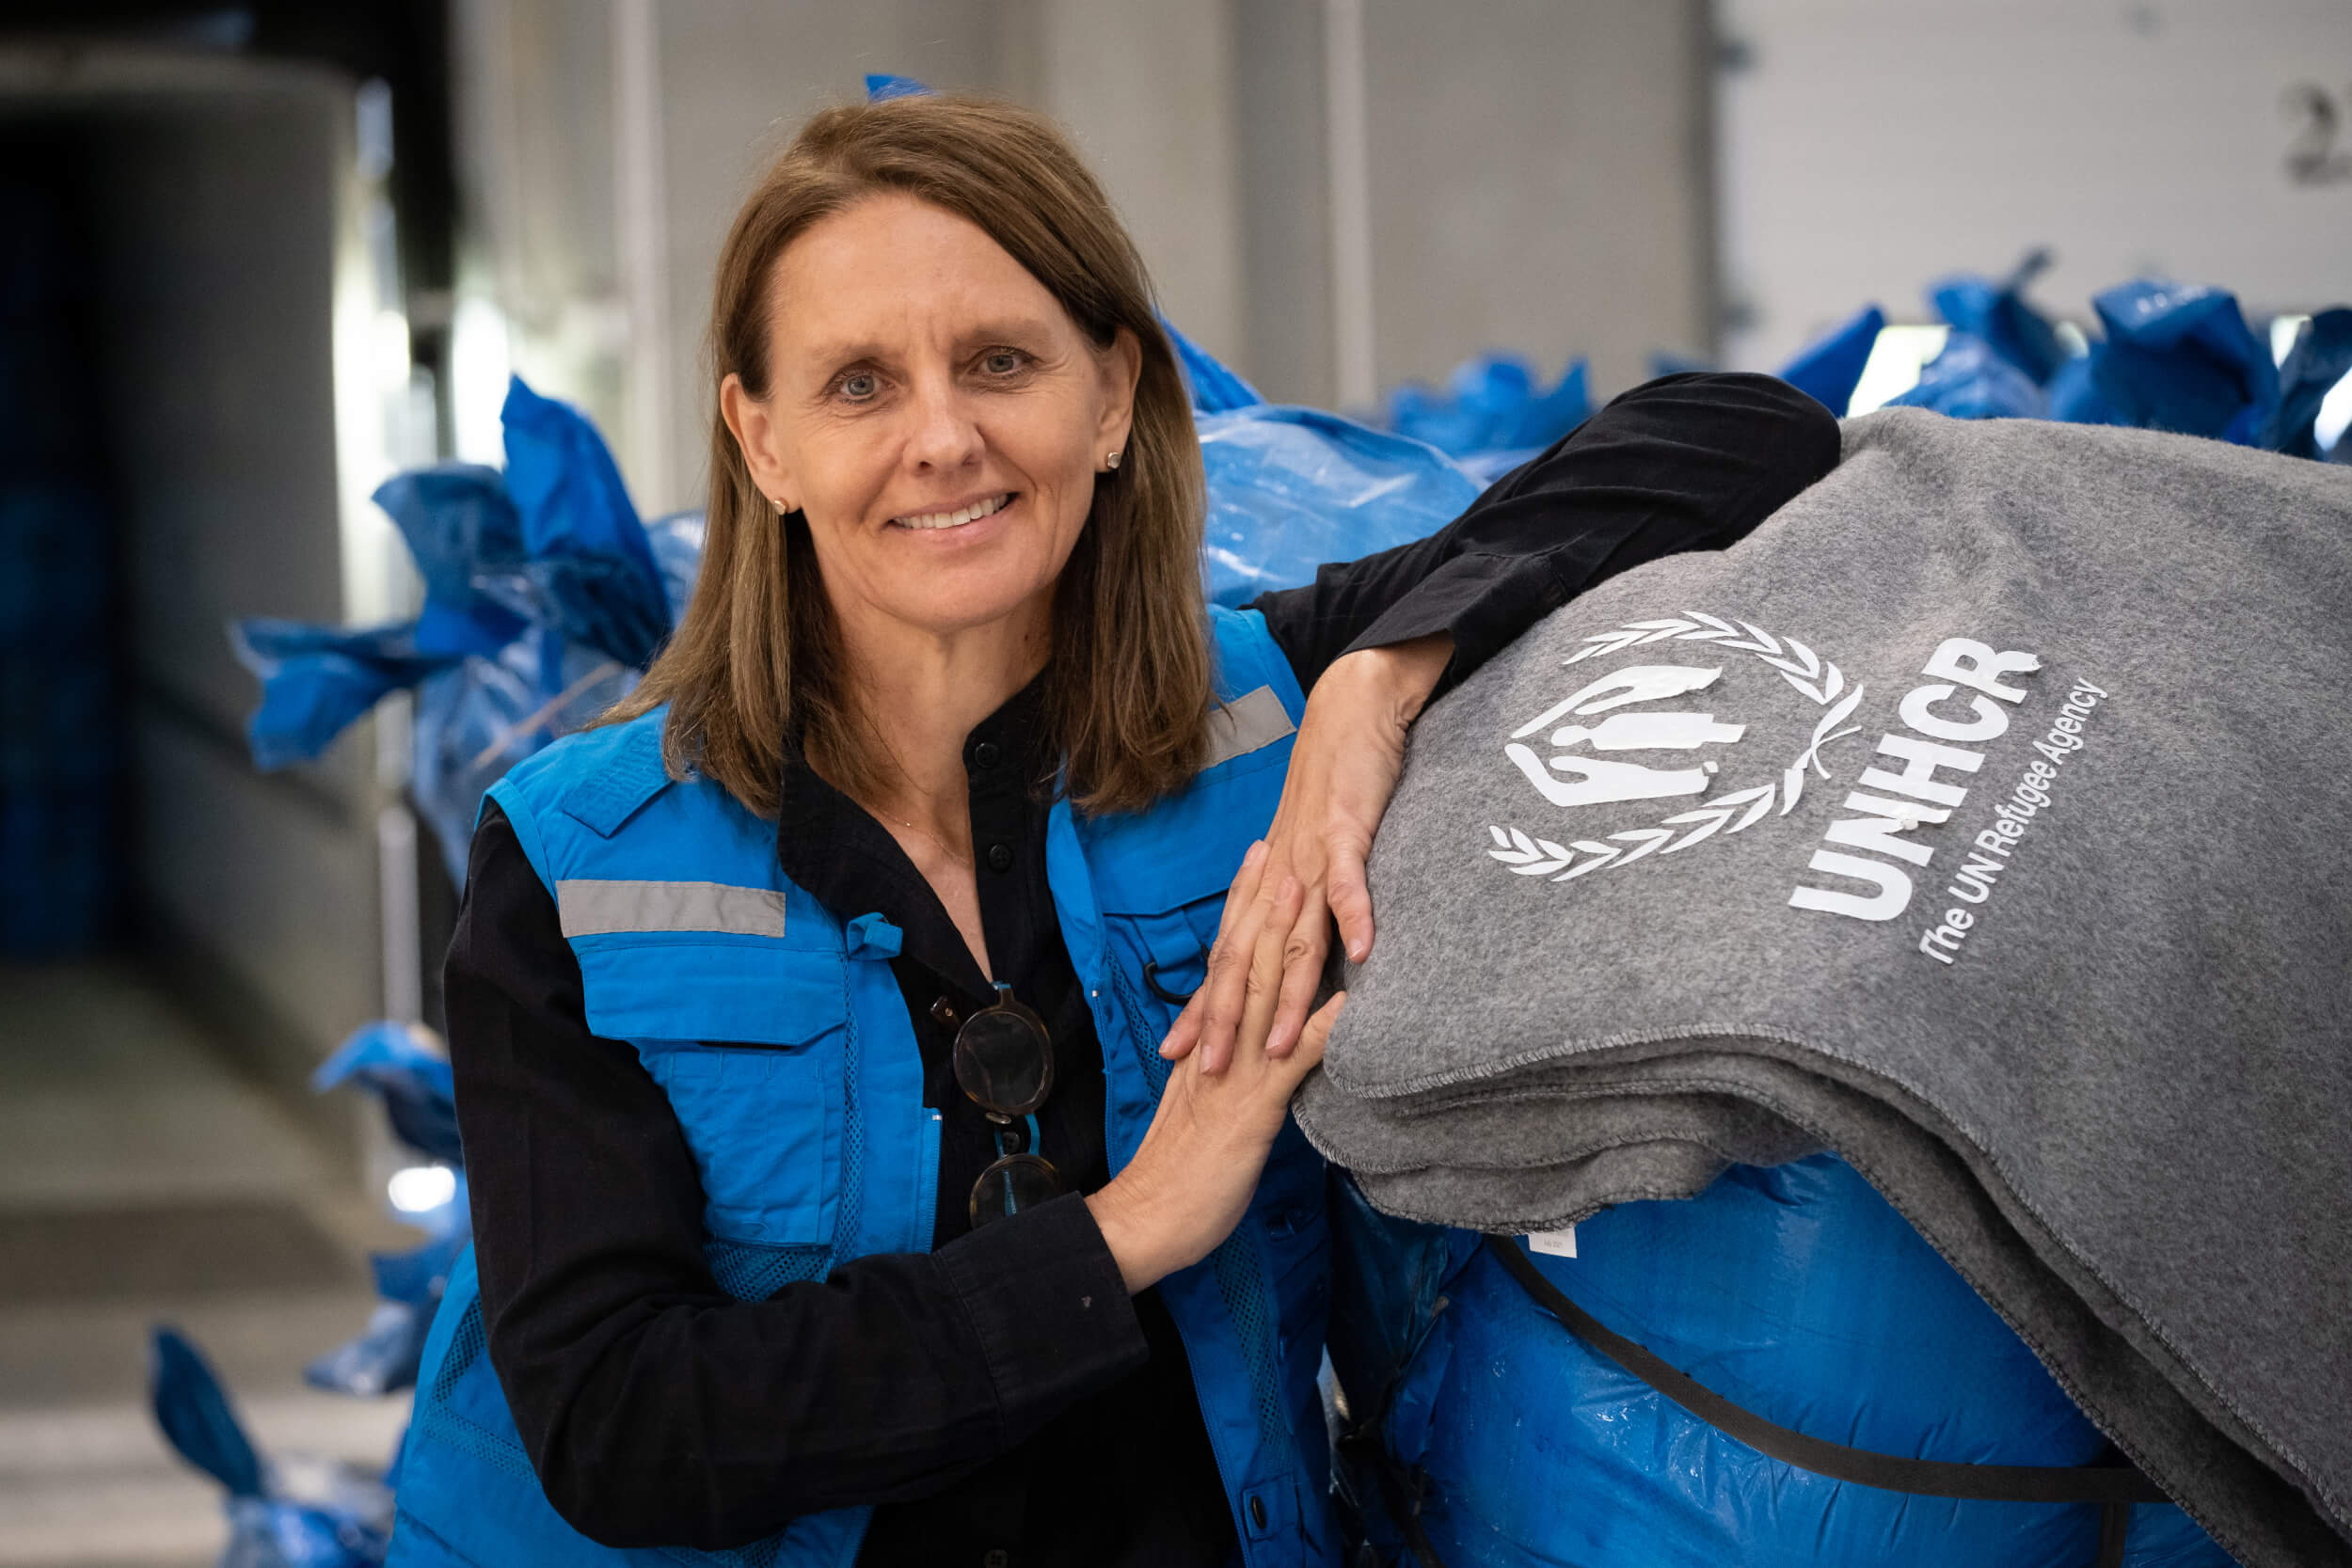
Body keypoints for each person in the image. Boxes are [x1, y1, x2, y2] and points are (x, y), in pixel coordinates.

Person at [384, 92, 1837, 1568]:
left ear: (1113, 395)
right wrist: (1128, 1231)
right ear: (762, 444)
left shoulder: (1266, 706)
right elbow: (626, 1429)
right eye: (860, 385)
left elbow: (1744, 437)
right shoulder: (581, 858)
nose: (944, 438)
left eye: (1000, 362)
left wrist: (1377, 684)